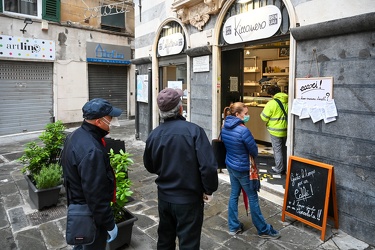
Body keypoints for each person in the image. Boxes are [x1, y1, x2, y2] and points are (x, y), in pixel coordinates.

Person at [143, 88, 219, 250]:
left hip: (164, 197)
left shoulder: (154, 134)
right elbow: (208, 166)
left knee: (165, 239)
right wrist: (209, 190)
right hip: (188, 199)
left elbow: (149, 166)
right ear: (180, 108)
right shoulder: (194, 131)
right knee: (189, 242)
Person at [61, 98, 122, 250]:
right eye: (110, 118)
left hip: (78, 208)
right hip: (90, 215)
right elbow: (96, 195)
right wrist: (109, 223)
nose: (113, 121)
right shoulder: (92, 150)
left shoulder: (75, 135)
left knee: (81, 245)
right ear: (98, 122)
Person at [221, 102, 280, 239]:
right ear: (237, 114)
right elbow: (254, 151)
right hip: (243, 168)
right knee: (253, 197)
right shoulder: (243, 130)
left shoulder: (224, 126)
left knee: (234, 194)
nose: (247, 116)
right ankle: (263, 229)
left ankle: (233, 226)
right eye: (245, 113)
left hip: (231, 165)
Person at [260, 85, 288, 175]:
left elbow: (264, 117)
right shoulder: (287, 101)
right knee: (284, 148)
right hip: (286, 129)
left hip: (275, 130)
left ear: (271, 94)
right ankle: (285, 166)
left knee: (277, 149)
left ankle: (279, 168)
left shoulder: (271, 103)